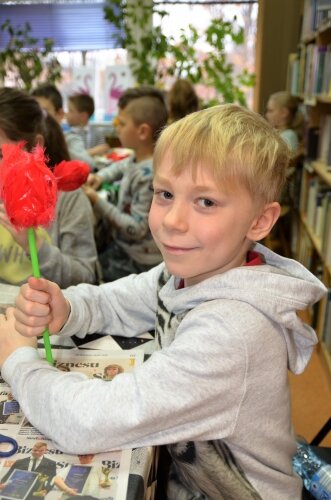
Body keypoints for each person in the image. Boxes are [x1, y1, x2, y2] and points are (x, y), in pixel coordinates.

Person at [0, 104, 327, 499]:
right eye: (166, 194)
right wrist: (66, 309)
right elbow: (118, 300)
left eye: (205, 202)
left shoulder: (232, 333)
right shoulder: (190, 272)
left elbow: (87, 422)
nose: (173, 221)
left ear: (259, 221)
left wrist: (19, 362)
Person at [0, 87, 98, 287]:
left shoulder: (68, 199)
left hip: (51, 314)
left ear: (35, 146)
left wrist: (34, 245)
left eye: (0, 155)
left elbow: (85, 277)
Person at [84, 86, 168, 281]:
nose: (116, 128)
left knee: (90, 276)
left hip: (138, 260)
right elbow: (122, 166)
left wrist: (97, 200)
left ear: (142, 131)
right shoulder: (139, 158)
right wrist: (101, 177)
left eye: (121, 123)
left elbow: (136, 229)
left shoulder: (149, 176)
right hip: (126, 246)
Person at [31, 84, 96, 170]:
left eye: (43, 112)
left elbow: (89, 165)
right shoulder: (28, 140)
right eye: (33, 111)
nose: (36, 118)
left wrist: (59, 144)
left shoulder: (69, 139)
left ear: (60, 114)